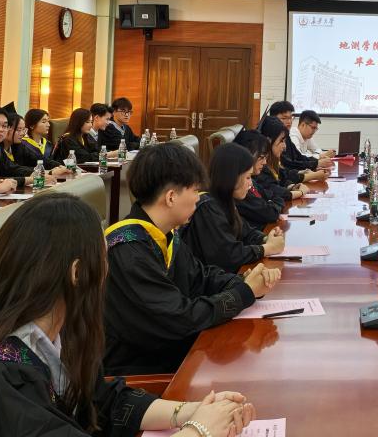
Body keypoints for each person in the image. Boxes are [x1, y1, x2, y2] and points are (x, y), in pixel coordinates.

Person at [0, 193, 257, 437]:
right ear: (78, 272)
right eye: (103, 257)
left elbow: (102, 402)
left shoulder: (60, 333)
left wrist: (189, 411)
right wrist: (200, 430)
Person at [104, 142, 282, 375]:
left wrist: (244, 281)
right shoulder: (127, 249)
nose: (198, 198)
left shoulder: (164, 234)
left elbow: (200, 277)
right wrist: (244, 293)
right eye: (195, 191)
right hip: (140, 372)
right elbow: (178, 318)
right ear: (171, 197)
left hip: (174, 355)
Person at [184, 143, 285, 273]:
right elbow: (228, 255)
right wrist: (266, 249)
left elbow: (246, 232)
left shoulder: (225, 199)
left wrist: (265, 238)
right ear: (232, 177)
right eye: (248, 177)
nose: (250, 184)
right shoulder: (207, 206)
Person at [233, 130, 286, 228]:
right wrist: (271, 205)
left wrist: (271, 204)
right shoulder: (239, 187)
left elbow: (276, 196)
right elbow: (271, 213)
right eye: (261, 157)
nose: (265, 162)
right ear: (248, 154)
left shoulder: (251, 181)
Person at [264, 101, 332, 172]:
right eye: (284, 118)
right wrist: (316, 164)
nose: (289, 122)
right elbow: (288, 163)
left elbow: (299, 156)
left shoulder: (287, 136)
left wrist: (315, 164)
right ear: (273, 119)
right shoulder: (272, 138)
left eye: (291, 118)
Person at [257, 118, 320, 194]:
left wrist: (292, 186)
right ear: (269, 140)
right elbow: (273, 190)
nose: (284, 146)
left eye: (291, 118)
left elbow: (283, 177)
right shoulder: (260, 165)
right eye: (281, 141)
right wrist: (299, 192)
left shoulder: (273, 159)